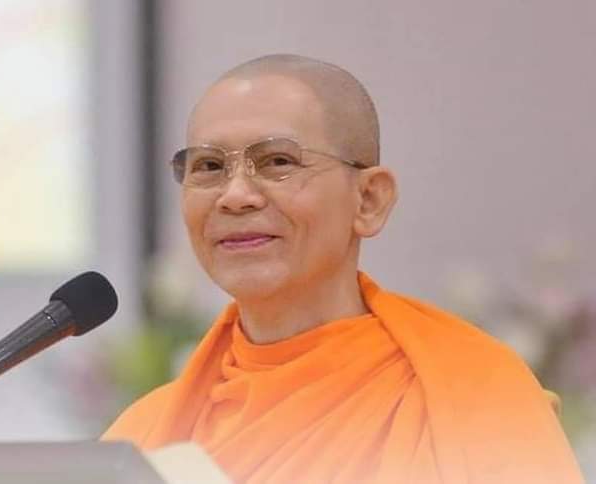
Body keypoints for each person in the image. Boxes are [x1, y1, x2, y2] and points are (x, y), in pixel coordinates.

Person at [101, 54, 583, 483]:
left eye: (277, 161)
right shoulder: (142, 436)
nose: (236, 196)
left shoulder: (475, 399)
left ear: (369, 200)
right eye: (208, 167)